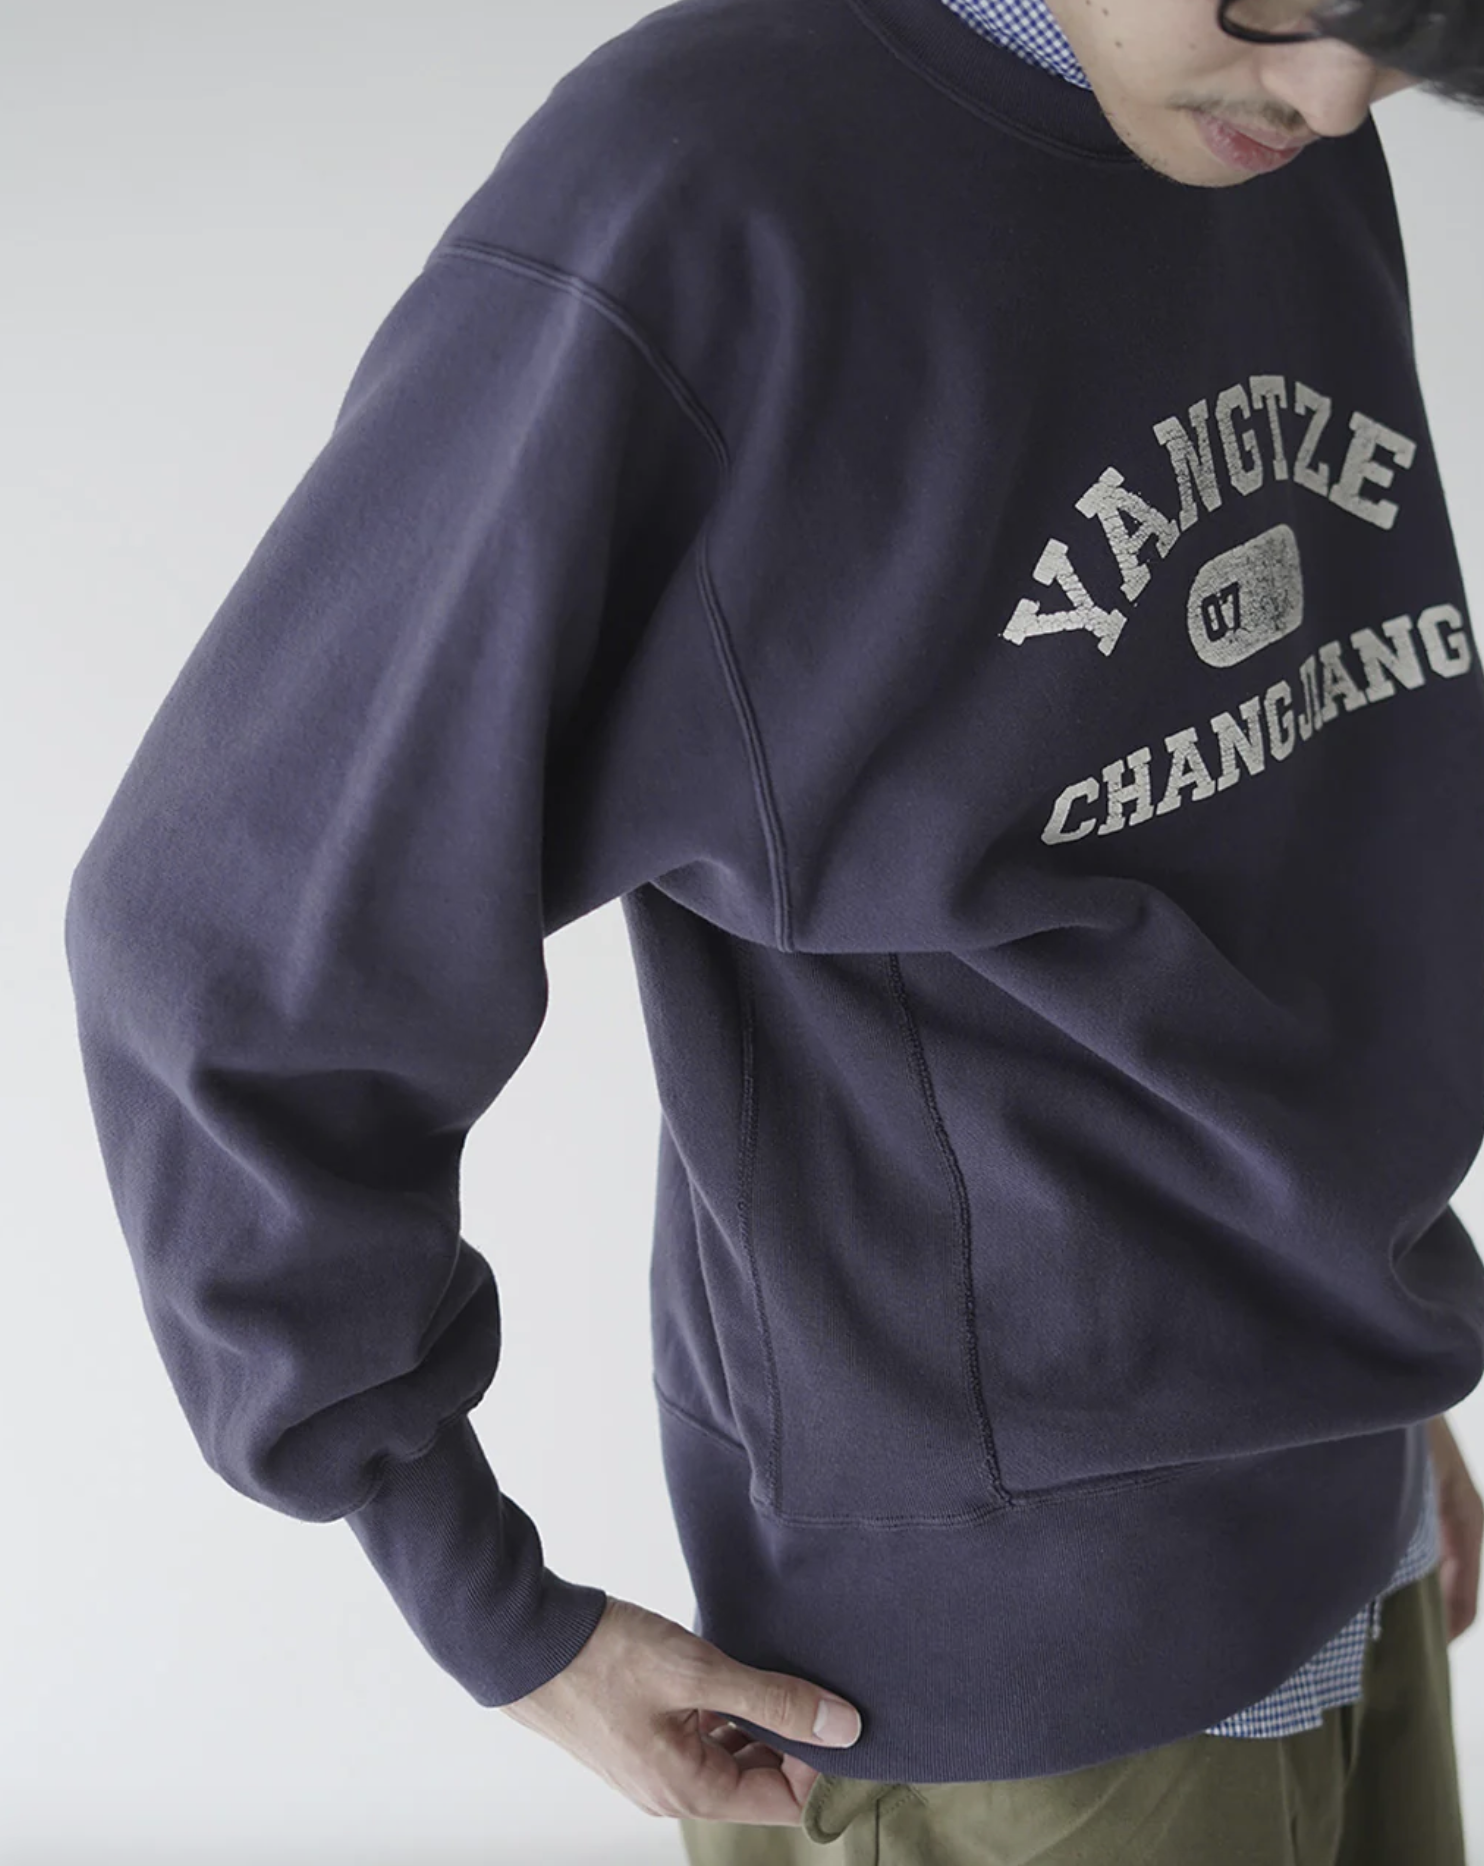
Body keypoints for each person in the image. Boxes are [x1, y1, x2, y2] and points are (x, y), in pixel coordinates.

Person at [62, 0, 1484, 1858]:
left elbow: (1282, 798)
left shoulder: (1268, 119)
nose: (1338, 96)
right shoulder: (703, 203)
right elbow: (222, 933)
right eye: (1284, 5)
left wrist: (1369, 1361)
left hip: (1357, 1511)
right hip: (1012, 1685)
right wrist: (477, 1590)